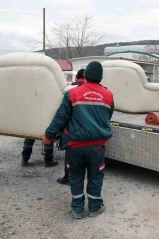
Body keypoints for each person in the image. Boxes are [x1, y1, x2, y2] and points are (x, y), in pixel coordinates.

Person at [41, 61, 114, 219]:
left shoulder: (72, 93)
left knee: (75, 176)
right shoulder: (108, 95)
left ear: (86, 76)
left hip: (74, 147)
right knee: (95, 176)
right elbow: (107, 117)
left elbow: (61, 118)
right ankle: (94, 208)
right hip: (97, 147)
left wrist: (48, 136)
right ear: (100, 77)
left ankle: (77, 210)